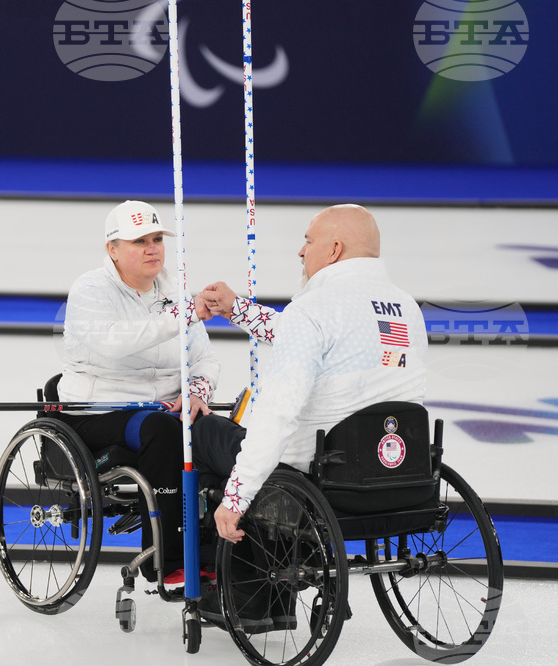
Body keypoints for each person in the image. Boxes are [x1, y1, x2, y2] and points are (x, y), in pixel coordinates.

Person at [190, 204, 427, 625]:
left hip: (318, 476)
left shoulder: (316, 308)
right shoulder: (406, 307)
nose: (301, 252)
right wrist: (238, 309)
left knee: (207, 433)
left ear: (333, 249)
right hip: (396, 472)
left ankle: (252, 596)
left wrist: (235, 498)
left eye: (308, 241)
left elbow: (279, 414)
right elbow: (304, 337)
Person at [56, 200, 221, 585]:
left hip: (159, 411)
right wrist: (184, 315)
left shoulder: (176, 292)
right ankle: (165, 559)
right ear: (112, 249)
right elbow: (115, 343)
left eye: (157, 239)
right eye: (138, 241)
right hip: (96, 412)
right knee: (165, 432)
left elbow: (206, 360)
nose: (152, 248)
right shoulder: (90, 290)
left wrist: (198, 390)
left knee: (215, 432)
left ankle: (222, 552)